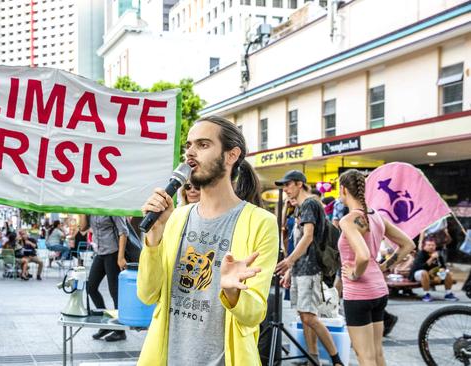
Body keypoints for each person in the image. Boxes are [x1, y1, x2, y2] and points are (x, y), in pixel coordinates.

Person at [137, 116, 278, 365]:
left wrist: (233, 292)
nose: (190, 153)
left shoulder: (261, 222)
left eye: (202, 145)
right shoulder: (176, 218)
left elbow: (255, 314)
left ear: (231, 155)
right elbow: (147, 295)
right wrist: (154, 239)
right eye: (189, 145)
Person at [337, 169, 416, 365]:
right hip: (378, 291)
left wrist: (355, 274)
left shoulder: (348, 220)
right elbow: (408, 244)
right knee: (377, 353)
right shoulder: (377, 216)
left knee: (365, 357)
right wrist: (382, 267)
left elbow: (362, 256)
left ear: (343, 190)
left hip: (358, 294)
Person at [274, 170, 344, 366]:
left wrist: (289, 262)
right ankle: (313, 359)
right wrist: (291, 269)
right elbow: (298, 240)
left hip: (310, 269)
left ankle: (336, 360)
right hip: (301, 269)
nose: (285, 190)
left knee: (309, 317)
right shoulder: (301, 207)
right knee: (304, 316)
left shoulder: (310, 204)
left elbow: (308, 237)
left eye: (287, 185)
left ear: (298, 184)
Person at [81, 214, 129, 342]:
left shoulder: (111, 207)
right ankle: (106, 323)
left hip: (113, 253)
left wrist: (121, 257)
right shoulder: (91, 208)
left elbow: (123, 232)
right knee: (91, 287)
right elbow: (83, 228)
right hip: (100, 253)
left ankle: (120, 331)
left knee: (115, 293)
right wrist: (82, 210)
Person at [409, 235, 458, 302]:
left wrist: (441, 272)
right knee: (424, 272)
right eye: (429, 245)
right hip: (419, 275)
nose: (431, 247)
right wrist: (432, 258)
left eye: (433, 245)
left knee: (448, 273)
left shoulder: (437, 255)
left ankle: (448, 293)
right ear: (424, 246)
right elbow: (420, 267)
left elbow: (443, 266)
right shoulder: (421, 254)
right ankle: (426, 294)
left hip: (433, 274)